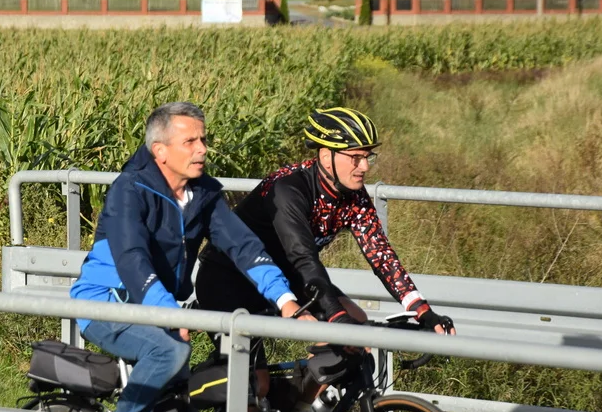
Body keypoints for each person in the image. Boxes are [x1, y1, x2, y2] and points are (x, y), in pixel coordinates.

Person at [70, 101, 312, 412]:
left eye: (204, 140)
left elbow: (244, 247)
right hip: (103, 303)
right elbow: (132, 258)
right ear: (161, 151)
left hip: (155, 308)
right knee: (169, 352)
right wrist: (168, 313)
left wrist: (285, 300)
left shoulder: (203, 196)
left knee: (186, 396)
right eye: (190, 142)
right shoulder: (129, 190)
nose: (202, 150)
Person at [195, 107, 455, 393]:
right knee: (257, 384)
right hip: (228, 280)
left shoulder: (353, 197)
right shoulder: (288, 189)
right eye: (355, 157)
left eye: (368, 156)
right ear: (325, 156)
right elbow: (303, 257)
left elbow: (382, 256)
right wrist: (334, 317)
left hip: (288, 278)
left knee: (356, 324)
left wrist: (422, 310)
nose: (365, 166)